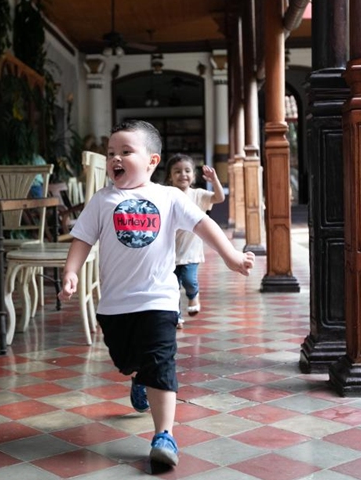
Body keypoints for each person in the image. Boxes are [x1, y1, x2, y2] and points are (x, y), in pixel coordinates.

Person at [59, 120, 254, 468]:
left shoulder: (168, 197)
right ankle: (138, 377)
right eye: (111, 153)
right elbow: (83, 239)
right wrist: (71, 271)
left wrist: (231, 256)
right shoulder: (103, 200)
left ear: (151, 161)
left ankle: (164, 435)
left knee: (161, 362)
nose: (115, 158)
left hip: (160, 301)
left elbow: (204, 224)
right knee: (125, 359)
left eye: (125, 152)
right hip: (116, 306)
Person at [165, 154, 225, 328]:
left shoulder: (198, 195)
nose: (182, 174)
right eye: (177, 171)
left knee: (190, 281)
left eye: (187, 170)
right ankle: (176, 316)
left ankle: (193, 295)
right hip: (169, 253)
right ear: (170, 176)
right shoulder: (167, 194)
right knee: (172, 287)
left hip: (191, 251)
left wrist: (214, 180)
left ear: (193, 175)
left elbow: (219, 198)